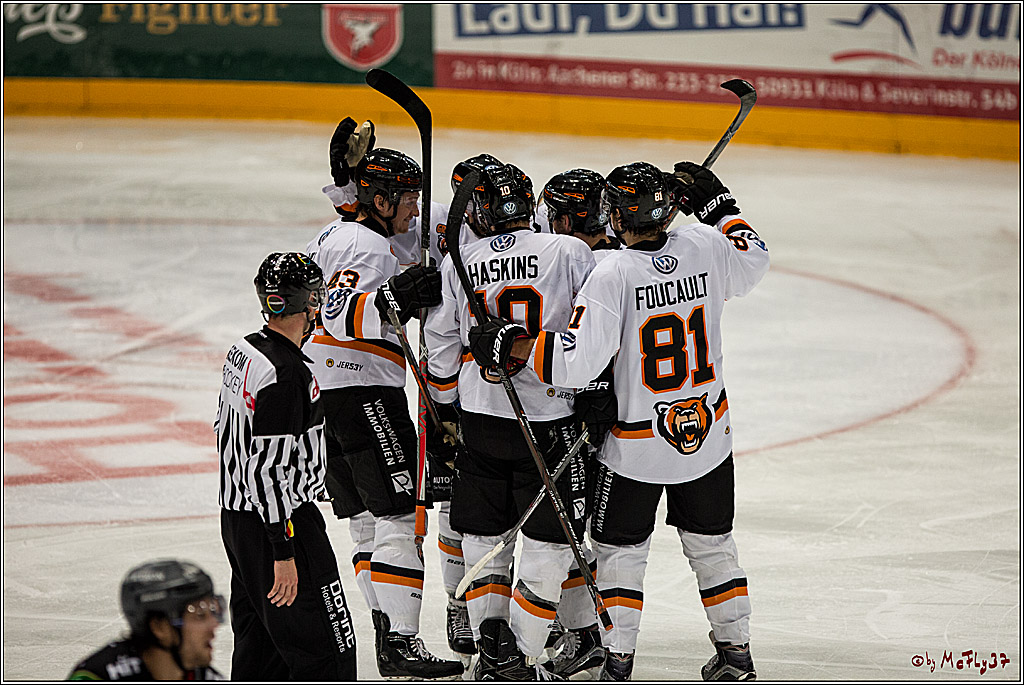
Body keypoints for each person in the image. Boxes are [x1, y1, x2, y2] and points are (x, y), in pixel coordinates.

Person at [468, 161, 769, 681]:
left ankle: (618, 662)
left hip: (636, 445)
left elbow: (574, 363)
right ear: (669, 210)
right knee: (714, 547)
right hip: (707, 437)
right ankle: (736, 655)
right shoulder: (704, 244)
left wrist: (513, 343)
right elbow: (754, 258)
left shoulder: (612, 275)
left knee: (620, 556)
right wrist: (722, 208)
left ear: (616, 216)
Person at [423, 162, 596, 679]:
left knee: (483, 538)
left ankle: (491, 654)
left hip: (480, 420)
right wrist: (597, 389)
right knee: (550, 543)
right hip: (550, 419)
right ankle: (518, 651)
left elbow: (440, 347)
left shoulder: (462, 261)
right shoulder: (569, 251)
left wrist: (447, 408)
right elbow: (597, 329)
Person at [304, 147, 463, 679]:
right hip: (364, 390)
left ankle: (386, 630)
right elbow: (338, 313)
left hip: (323, 395)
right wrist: (395, 298)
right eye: (409, 199)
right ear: (380, 200)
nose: (416, 210)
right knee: (398, 517)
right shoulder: (367, 244)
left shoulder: (334, 234)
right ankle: (400, 642)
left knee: (367, 523)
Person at [216, 252, 357, 680]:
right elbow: (268, 473)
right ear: (308, 302)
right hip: (281, 526)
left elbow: (235, 438)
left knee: (261, 651)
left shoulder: (245, 350)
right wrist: (283, 550)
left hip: (238, 522)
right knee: (328, 651)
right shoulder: (286, 375)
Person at [68, 559, 225, 681]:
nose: (214, 625)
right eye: (199, 615)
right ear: (159, 627)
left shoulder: (207, 678)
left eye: (213, 611)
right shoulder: (97, 677)